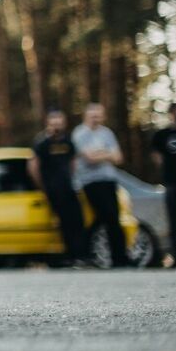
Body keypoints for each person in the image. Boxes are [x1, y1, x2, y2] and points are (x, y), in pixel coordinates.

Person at [72, 102, 127, 268]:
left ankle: (119, 258)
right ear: (86, 116)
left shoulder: (107, 133)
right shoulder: (79, 133)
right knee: (107, 215)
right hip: (91, 182)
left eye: (99, 115)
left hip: (109, 180)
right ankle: (85, 253)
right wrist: (107, 154)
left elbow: (118, 157)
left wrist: (100, 154)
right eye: (93, 115)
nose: (96, 118)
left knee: (111, 218)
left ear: (103, 116)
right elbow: (90, 158)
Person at [30, 109, 86, 265]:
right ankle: (69, 255)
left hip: (69, 187)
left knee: (77, 220)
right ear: (48, 123)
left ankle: (80, 255)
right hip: (53, 188)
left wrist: (71, 179)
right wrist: (43, 187)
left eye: (59, 121)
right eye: (53, 121)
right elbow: (33, 166)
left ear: (64, 123)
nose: (56, 125)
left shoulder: (68, 141)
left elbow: (73, 163)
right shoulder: (42, 142)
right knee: (64, 221)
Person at [150, 101, 176, 268]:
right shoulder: (162, 135)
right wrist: (164, 168)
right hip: (171, 182)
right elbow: (155, 154)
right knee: (172, 220)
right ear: (172, 114)